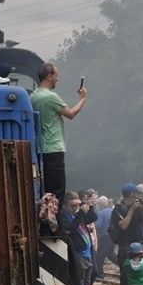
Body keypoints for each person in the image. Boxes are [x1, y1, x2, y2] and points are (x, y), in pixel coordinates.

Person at [29, 63, 88, 200]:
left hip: (40, 148)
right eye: (56, 76)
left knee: (46, 191)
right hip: (54, 147)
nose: (57, 79)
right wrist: (83, 99)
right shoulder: (51, 97)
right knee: (57, 192)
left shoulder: (33, 96)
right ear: (49, 76)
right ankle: (54, 219)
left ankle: (46, 217)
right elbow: (71, 114)